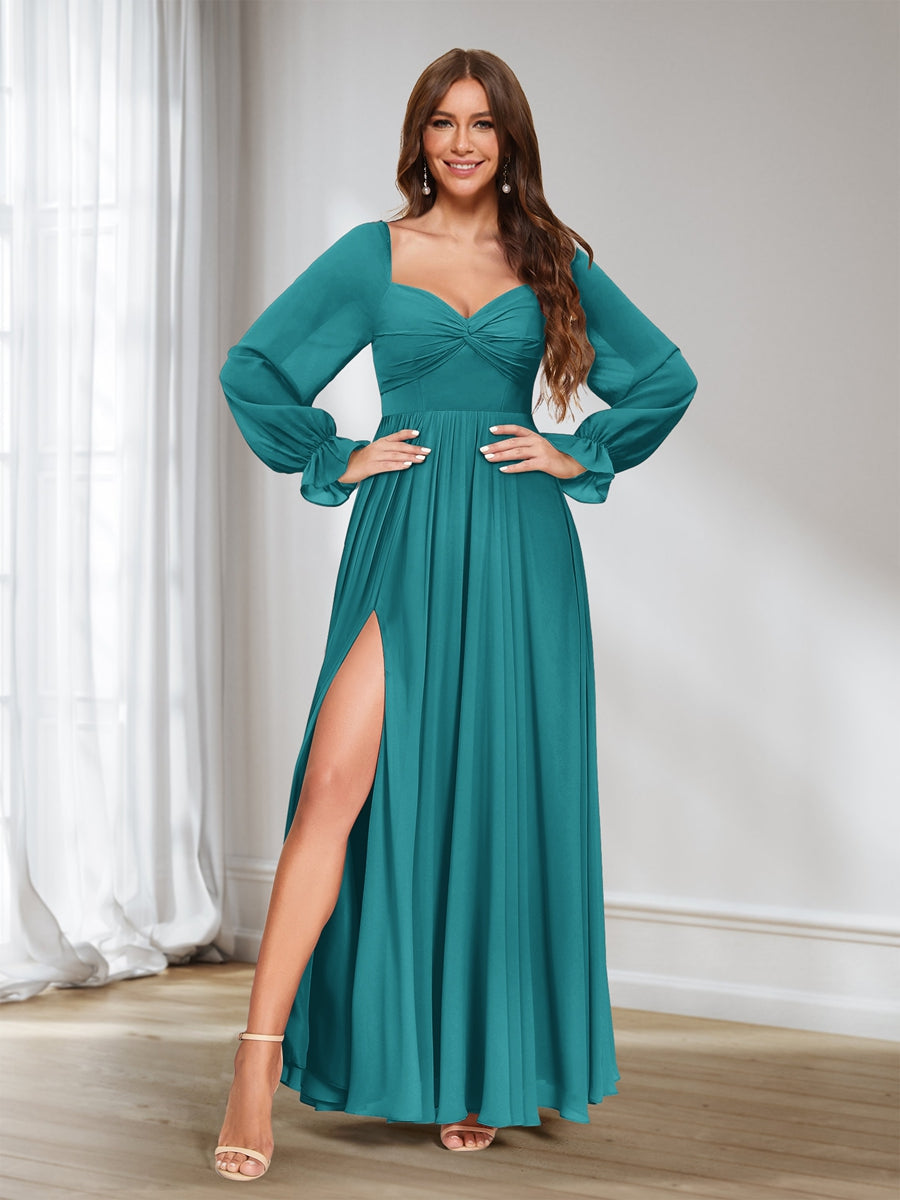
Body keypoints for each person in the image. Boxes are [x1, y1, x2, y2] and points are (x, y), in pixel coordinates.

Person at [214, 47, 697, 1181]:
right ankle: (253, 1061)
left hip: (521, 548)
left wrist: (578, 451)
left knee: (494, 797)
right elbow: (255, 368)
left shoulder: (552, 258)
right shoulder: (373, 254)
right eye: (443, 121)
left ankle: (477, 1066)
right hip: (405, 538)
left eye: (482, 122)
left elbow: (664, 378)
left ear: (509, 138)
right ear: (419, 138)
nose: (463, 141)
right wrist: (335, 452)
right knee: (335, 787)